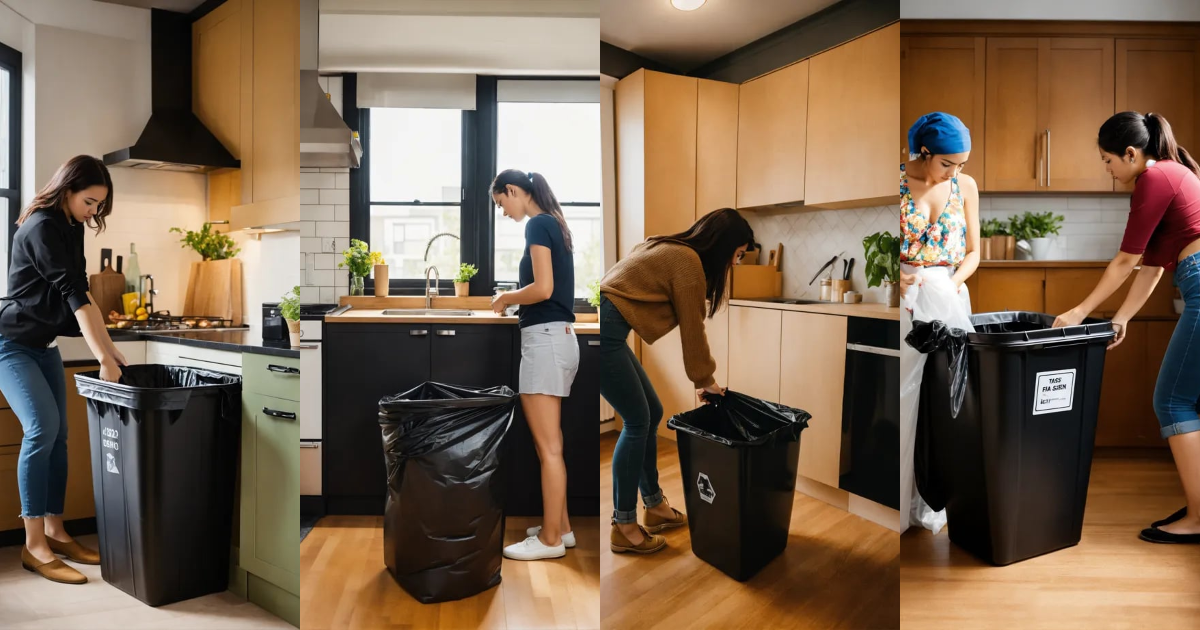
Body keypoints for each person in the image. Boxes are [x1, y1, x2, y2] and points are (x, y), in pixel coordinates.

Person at [1052, 111, 1200, 545]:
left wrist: (1080, 310)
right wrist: (1121, 318)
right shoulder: (1175, 174)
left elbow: (1125, 260)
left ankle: (1198, 518)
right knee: (1186, 399)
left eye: (1107, 160)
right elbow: (1152, 266)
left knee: (1172, 401)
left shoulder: (1153, 180)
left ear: (1131, 153)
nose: (1107, 169)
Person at [0, 155, 127, 584]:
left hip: (44, 344)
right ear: (67, 190)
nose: (93, 212)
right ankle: (33, 544)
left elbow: (83, 291)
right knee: (42, 429)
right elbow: (74, 295)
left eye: (98, 206)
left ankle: (55, 530)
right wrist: (104, 357)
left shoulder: (70, 227)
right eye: (89, 202)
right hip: (11, 345)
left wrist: (110, 349)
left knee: (61, 435)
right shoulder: (39, 227)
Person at [598, 208, 753, 554]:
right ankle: (623, 524)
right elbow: (692, 326)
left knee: (650, 412)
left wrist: (703, 378)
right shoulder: (687, 262)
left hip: (607, 327)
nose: (736, 264)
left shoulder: (672, 247)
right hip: (604, 332)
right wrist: (706, 380)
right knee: (638, 420)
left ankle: (653, 506)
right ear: (725, 245)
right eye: (738, 255)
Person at [490, 169, 581, 561]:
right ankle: (562, 528)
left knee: (548, 449)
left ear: (513, 191)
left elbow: (543, 288)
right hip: (556, 339)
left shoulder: (538, 225)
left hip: (545, 342)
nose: (503, 211)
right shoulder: (554, 222)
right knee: (553, 445)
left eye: (500, 203)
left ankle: (549, 541)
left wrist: (507, 297)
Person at [898, 112, 981, 532]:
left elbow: (973, 253)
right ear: (922, 152)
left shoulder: (965, 186)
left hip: (949, 299)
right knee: (906, 397)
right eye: (948, 163)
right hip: (906, 305)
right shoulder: (893, 186)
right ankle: (900, 502)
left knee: (951, 397)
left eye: (962, 164)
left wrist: (950, 284)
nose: (956, 172)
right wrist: (899, 278)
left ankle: (943, 499)